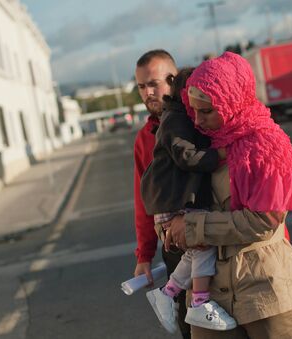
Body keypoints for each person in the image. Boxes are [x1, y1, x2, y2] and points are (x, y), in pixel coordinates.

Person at [164, 51, 292, 338]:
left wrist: (192, 228)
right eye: (193, 109)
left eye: (207, 111)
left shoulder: (264, 145)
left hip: (264, 293)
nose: (197, 120)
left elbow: (262, 222)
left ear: (231, 101)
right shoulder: (198, 145)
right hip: (208, 301)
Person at [141, 68, 236, 333]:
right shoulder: (175, 120)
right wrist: (219, 154)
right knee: (202, 243)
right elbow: (186, 156)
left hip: (170, 196)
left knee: (195, 249)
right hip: (170, 199)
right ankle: (198, 303)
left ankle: (167, 292)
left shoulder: (179, 117)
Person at [132, 49, 191, 338]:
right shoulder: (144, 139)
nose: (148, 93)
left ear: (174, 79)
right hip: (175, 249)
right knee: (192, 327)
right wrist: (144, 254)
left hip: (220, 238)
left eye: (153, 83)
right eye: (142, 86)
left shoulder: (200, 118)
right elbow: (144, 201)